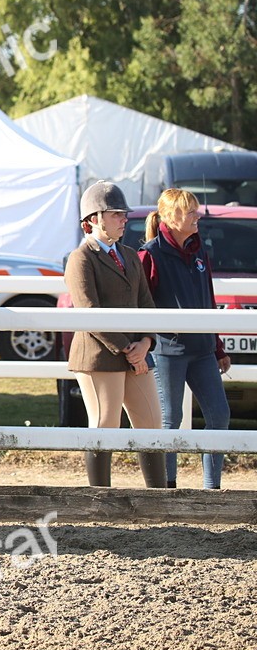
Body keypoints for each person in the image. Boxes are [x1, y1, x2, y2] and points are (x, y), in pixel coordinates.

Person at [64, 181, 166, 487]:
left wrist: (146, 342)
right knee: (105, 422)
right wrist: (128, 349)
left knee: (150, 422)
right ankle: (100, 495)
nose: (124, 219)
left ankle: (158, 495)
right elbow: (89, 310)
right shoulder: (81, 258)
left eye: (123, 214)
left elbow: (146, 302)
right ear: (94, 219)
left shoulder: (130, 255)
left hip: (135, 351)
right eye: (116, 214)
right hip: (99, 355)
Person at [138, 188, 232, 489]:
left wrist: (217, 346)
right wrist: (146, 343)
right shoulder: (150, 255)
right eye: (191, 211)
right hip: (169, 351)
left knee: (220, 415)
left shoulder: (200, 251)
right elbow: (142, 304)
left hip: (202, 350)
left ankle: (211, 488)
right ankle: (167, 488)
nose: (198, 216)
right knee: (170, 419)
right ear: (172, 217)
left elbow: (208, 299)